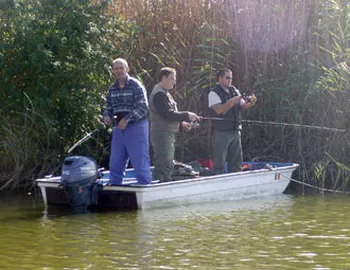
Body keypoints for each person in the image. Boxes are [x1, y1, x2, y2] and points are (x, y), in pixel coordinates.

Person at [103, 58, 151, 185]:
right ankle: (114, 188)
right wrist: (107, 116)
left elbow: (143, 107)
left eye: (121, 68)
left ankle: (145, 187)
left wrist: (127, 119)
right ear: (113, 71)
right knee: (115, 162)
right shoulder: (112, 89)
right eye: (116, 69)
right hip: (119, 129)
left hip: (137, 127)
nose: (118, 71)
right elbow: (107, 106)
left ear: (127, 69)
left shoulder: (136, 85)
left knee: (140, 162)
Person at [149, 67, 200, 182]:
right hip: (162, 133)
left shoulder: (164, 93)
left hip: (166, 132)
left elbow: (167, 114)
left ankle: (165, 181)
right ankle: (160, 184)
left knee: (167, 161)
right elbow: (166, 114)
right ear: (163, 78)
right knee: (164, 161)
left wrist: (182, 122)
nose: (174, 81)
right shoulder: (159, 94)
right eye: (172, 78)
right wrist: (187, 114)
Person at [208, 68, 257, 174]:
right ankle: (218, 179)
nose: (230, 80)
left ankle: (236, 178)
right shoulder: (213, 93)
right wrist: (231, 101)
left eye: (231, 78)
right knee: (219, 160)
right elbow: (219, 110)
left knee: (236, 161)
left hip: (236, 130)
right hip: (222, 131)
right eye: (227, 78)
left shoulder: (234, 90)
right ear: (220, 78)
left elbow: (243, 106)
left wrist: (251, 102)